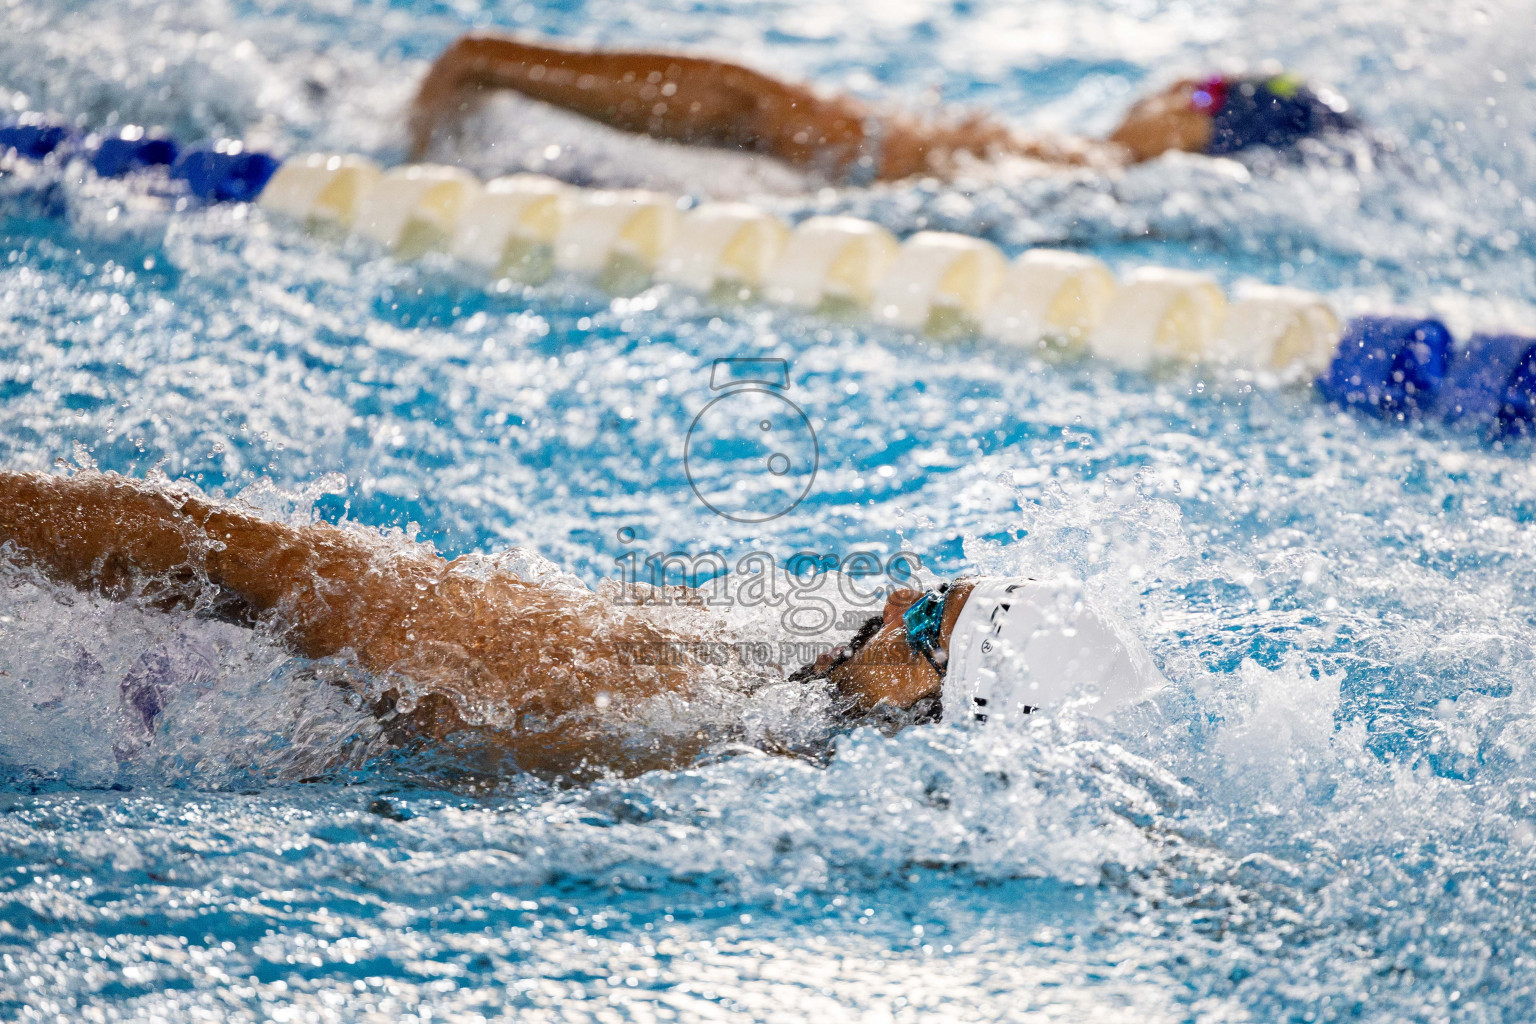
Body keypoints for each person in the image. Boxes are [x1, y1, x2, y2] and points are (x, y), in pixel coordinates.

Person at [0, 471, 1155, 777]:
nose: (893, 599)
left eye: (924, 633)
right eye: (931, 585)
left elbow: (242, 556)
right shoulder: (742, 734)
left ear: (944, 713)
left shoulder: (602, 675)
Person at [409, 34, 1356, 183]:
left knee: (748, 103)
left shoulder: (1104, 168)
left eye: (1201, 91)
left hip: (894, 163)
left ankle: (485, 66)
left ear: (1202, 134)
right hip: (906, 169)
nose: (1169, 86)